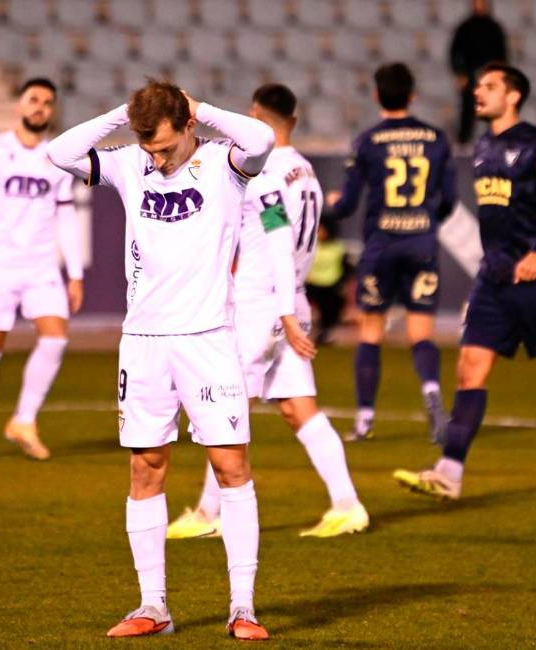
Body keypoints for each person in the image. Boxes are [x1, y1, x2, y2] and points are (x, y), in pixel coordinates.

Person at [46, 80, 274, 639]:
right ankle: (154, 607)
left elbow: (264, 136)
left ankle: (242, 607)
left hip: (207, 339)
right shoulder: (130, 165)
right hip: (143, 341)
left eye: (166, 145)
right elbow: (58, 153)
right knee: (145, 468)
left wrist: (205, 109)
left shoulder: (227, 163)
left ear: (190, 126)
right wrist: (119, 116)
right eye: (148, 146)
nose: (157, 157)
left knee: (230, 467)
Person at [167, 84, 369, 542]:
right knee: (300, 410)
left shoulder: (264, 171)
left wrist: (280, 313)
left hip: (264, 303)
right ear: (293, 120)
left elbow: (277, 239)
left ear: (255, 114)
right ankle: (347, 504)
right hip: (292, 299)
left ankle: (208, 512)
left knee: (222, 406)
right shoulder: (305, 169)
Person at [392, 63, 536, 503]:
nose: (478, 92)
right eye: (478, 85)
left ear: (514, 96)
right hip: (493, 277)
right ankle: (450, 473)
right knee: (470, 368)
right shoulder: (484, 145)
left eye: (489, 86)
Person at [0, 77, 84, 462]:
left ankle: (24, 420)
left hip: (42, 266)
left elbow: (66, 218)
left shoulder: (57, 157)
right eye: (34, 100)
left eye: (47, 102)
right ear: (19, 106)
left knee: (56, 338)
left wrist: (74, 273)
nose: (40, 107)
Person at [326, 62, 457, 445]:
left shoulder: (368, 141)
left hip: (381, 246)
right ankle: (432, 395)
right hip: (421, 243)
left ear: (376, 95)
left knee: (371, 332)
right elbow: (449, 200)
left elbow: (348, 204)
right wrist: (426, 220)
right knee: (421, 333)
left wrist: (331, 205)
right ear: (412, 95)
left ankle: (365, 419)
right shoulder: (436, 139)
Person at [449, 0, 508, 144]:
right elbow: (454, 52)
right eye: (476, 2)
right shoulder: (465, 27)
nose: (479, 5)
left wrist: (500, 74)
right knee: (468, 108)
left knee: (493, 107)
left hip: (490, 74)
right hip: (470, 73)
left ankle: (495, 140)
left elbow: (502, 54)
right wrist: (459, 73)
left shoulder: (494, 27)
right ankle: (463, 141)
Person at [305, 217, 350, 346]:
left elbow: (345, 268)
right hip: (312, 284)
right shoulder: (311, 246)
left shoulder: (337, 248)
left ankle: (325, 333)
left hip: (331, 284)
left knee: (331, 309)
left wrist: (342, 283)